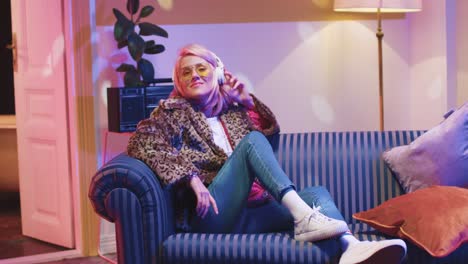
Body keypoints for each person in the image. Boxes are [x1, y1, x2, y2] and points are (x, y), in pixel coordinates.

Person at [126, 43, 407, 264]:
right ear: (178, 81)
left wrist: (249, 102)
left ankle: (351, 248)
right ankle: (303, 216)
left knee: (316, 193)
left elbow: (268, 145)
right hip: (213, 212)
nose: (194, 75)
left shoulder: (235, 113)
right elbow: (141, 142)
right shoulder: (171, 112)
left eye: (201, 68)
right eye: (186, 72)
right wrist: (191, 178)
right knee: (252, 142)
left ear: (218, 72)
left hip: (252, 215)